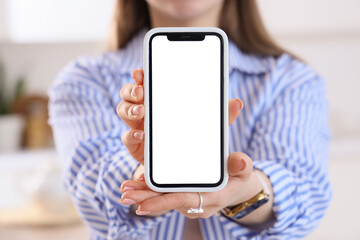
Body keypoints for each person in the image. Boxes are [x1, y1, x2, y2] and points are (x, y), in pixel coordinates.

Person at [48, 0, 332, 239]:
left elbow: (305, 199)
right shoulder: (82, 81)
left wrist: (246, 192)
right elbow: (90, 197)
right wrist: (145, 176)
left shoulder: (290, 80)